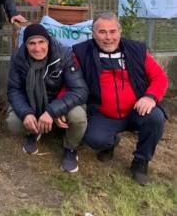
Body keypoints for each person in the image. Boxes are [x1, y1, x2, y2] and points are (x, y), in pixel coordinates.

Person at [72, 13, 168, 185]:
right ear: (93, 33)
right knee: (94, 139)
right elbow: (70, 83)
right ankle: (110, 144)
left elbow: (160, 77)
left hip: (136, 110)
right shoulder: (80, 52)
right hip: (103, 113)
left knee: (156, 118)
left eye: (112, 31)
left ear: (120, 32)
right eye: (102, 32)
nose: (108, 37)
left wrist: (150, 97)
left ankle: (140, 162)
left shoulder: (136, 50)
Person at [6, 24, 88, 172]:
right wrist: (26, 113)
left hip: (59, 102)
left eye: (41, 42)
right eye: (32, 43)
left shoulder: (64, 55)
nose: (37, 48)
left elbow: (80, 90)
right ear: (25, 45)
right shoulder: (18, 57)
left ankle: (70, 147)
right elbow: (14, 89)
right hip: (32, 102)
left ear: (48, 42)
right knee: (13, 122)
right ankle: (33, 131)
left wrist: (53, 111)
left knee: (78, 117)